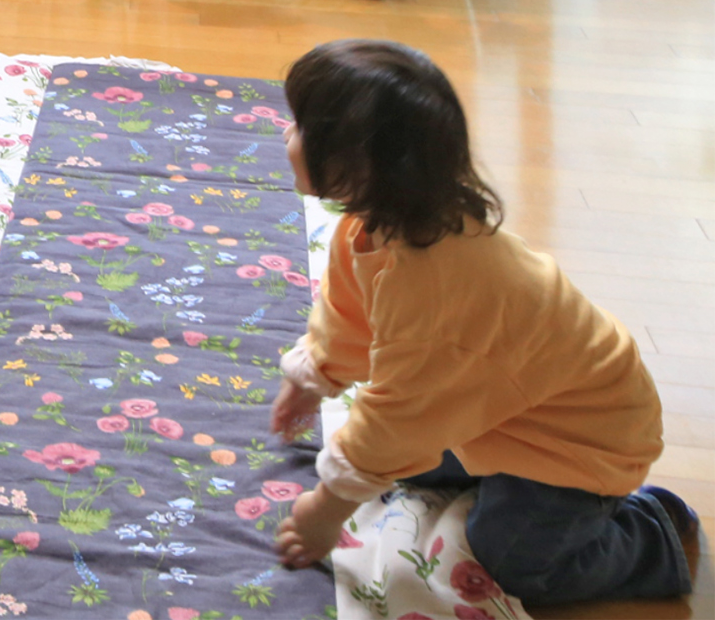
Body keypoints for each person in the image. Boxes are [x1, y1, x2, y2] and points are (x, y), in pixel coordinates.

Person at [269, 40, 698, 605]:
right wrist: (312, 377)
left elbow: (399, 420)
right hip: (505, 409)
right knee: (400, 465)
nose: (286, 133)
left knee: (514, 558)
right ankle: (497, 478)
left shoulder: (437, 296)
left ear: (360, 168)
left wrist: (326, 511)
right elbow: (347, 317)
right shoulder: (371, 226)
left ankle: (651, 531)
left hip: (580, 441)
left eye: (301, 127)